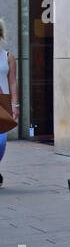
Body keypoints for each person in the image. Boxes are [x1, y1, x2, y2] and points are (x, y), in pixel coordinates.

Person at [0, 18, 14, 187]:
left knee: (1, 142)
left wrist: (15, 104)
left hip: (3, 104)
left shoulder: (7, 56)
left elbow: (13, 82)